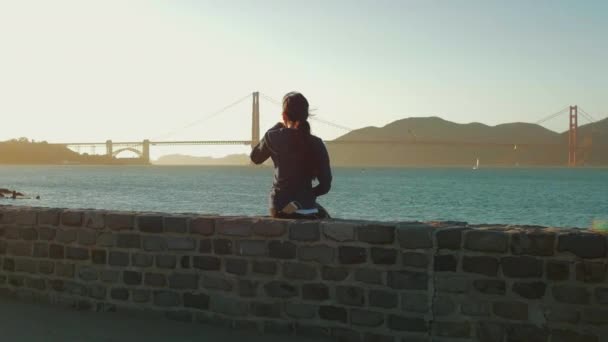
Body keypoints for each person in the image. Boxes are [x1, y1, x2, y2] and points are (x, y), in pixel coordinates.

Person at [250, 92, 332, 219]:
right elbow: (325, 186)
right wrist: (307, 195)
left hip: (278, 208)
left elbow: (255, 158)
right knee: (325, 217)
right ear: (306, 116)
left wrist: (275, 127)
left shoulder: (273, 136)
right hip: (305, 208)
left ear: (284, 115)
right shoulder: (317, 143)